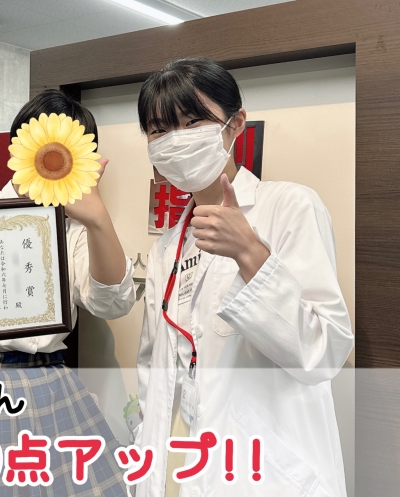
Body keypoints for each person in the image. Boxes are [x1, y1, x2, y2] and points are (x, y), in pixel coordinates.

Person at [134, 58, 354, 497]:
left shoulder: (289, 207)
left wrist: (250, 253)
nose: (176, 140)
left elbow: (325, 353)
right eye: (160, 131)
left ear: (235, 125)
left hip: (265, 470)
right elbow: (153, 369)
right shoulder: (168, 247)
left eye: (192, 122)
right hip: (179, 460)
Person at [0, 90, 137, 496]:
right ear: (17, 148)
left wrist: (98, 220)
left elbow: (113, 302)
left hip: (46, 387)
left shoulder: (75, 228)